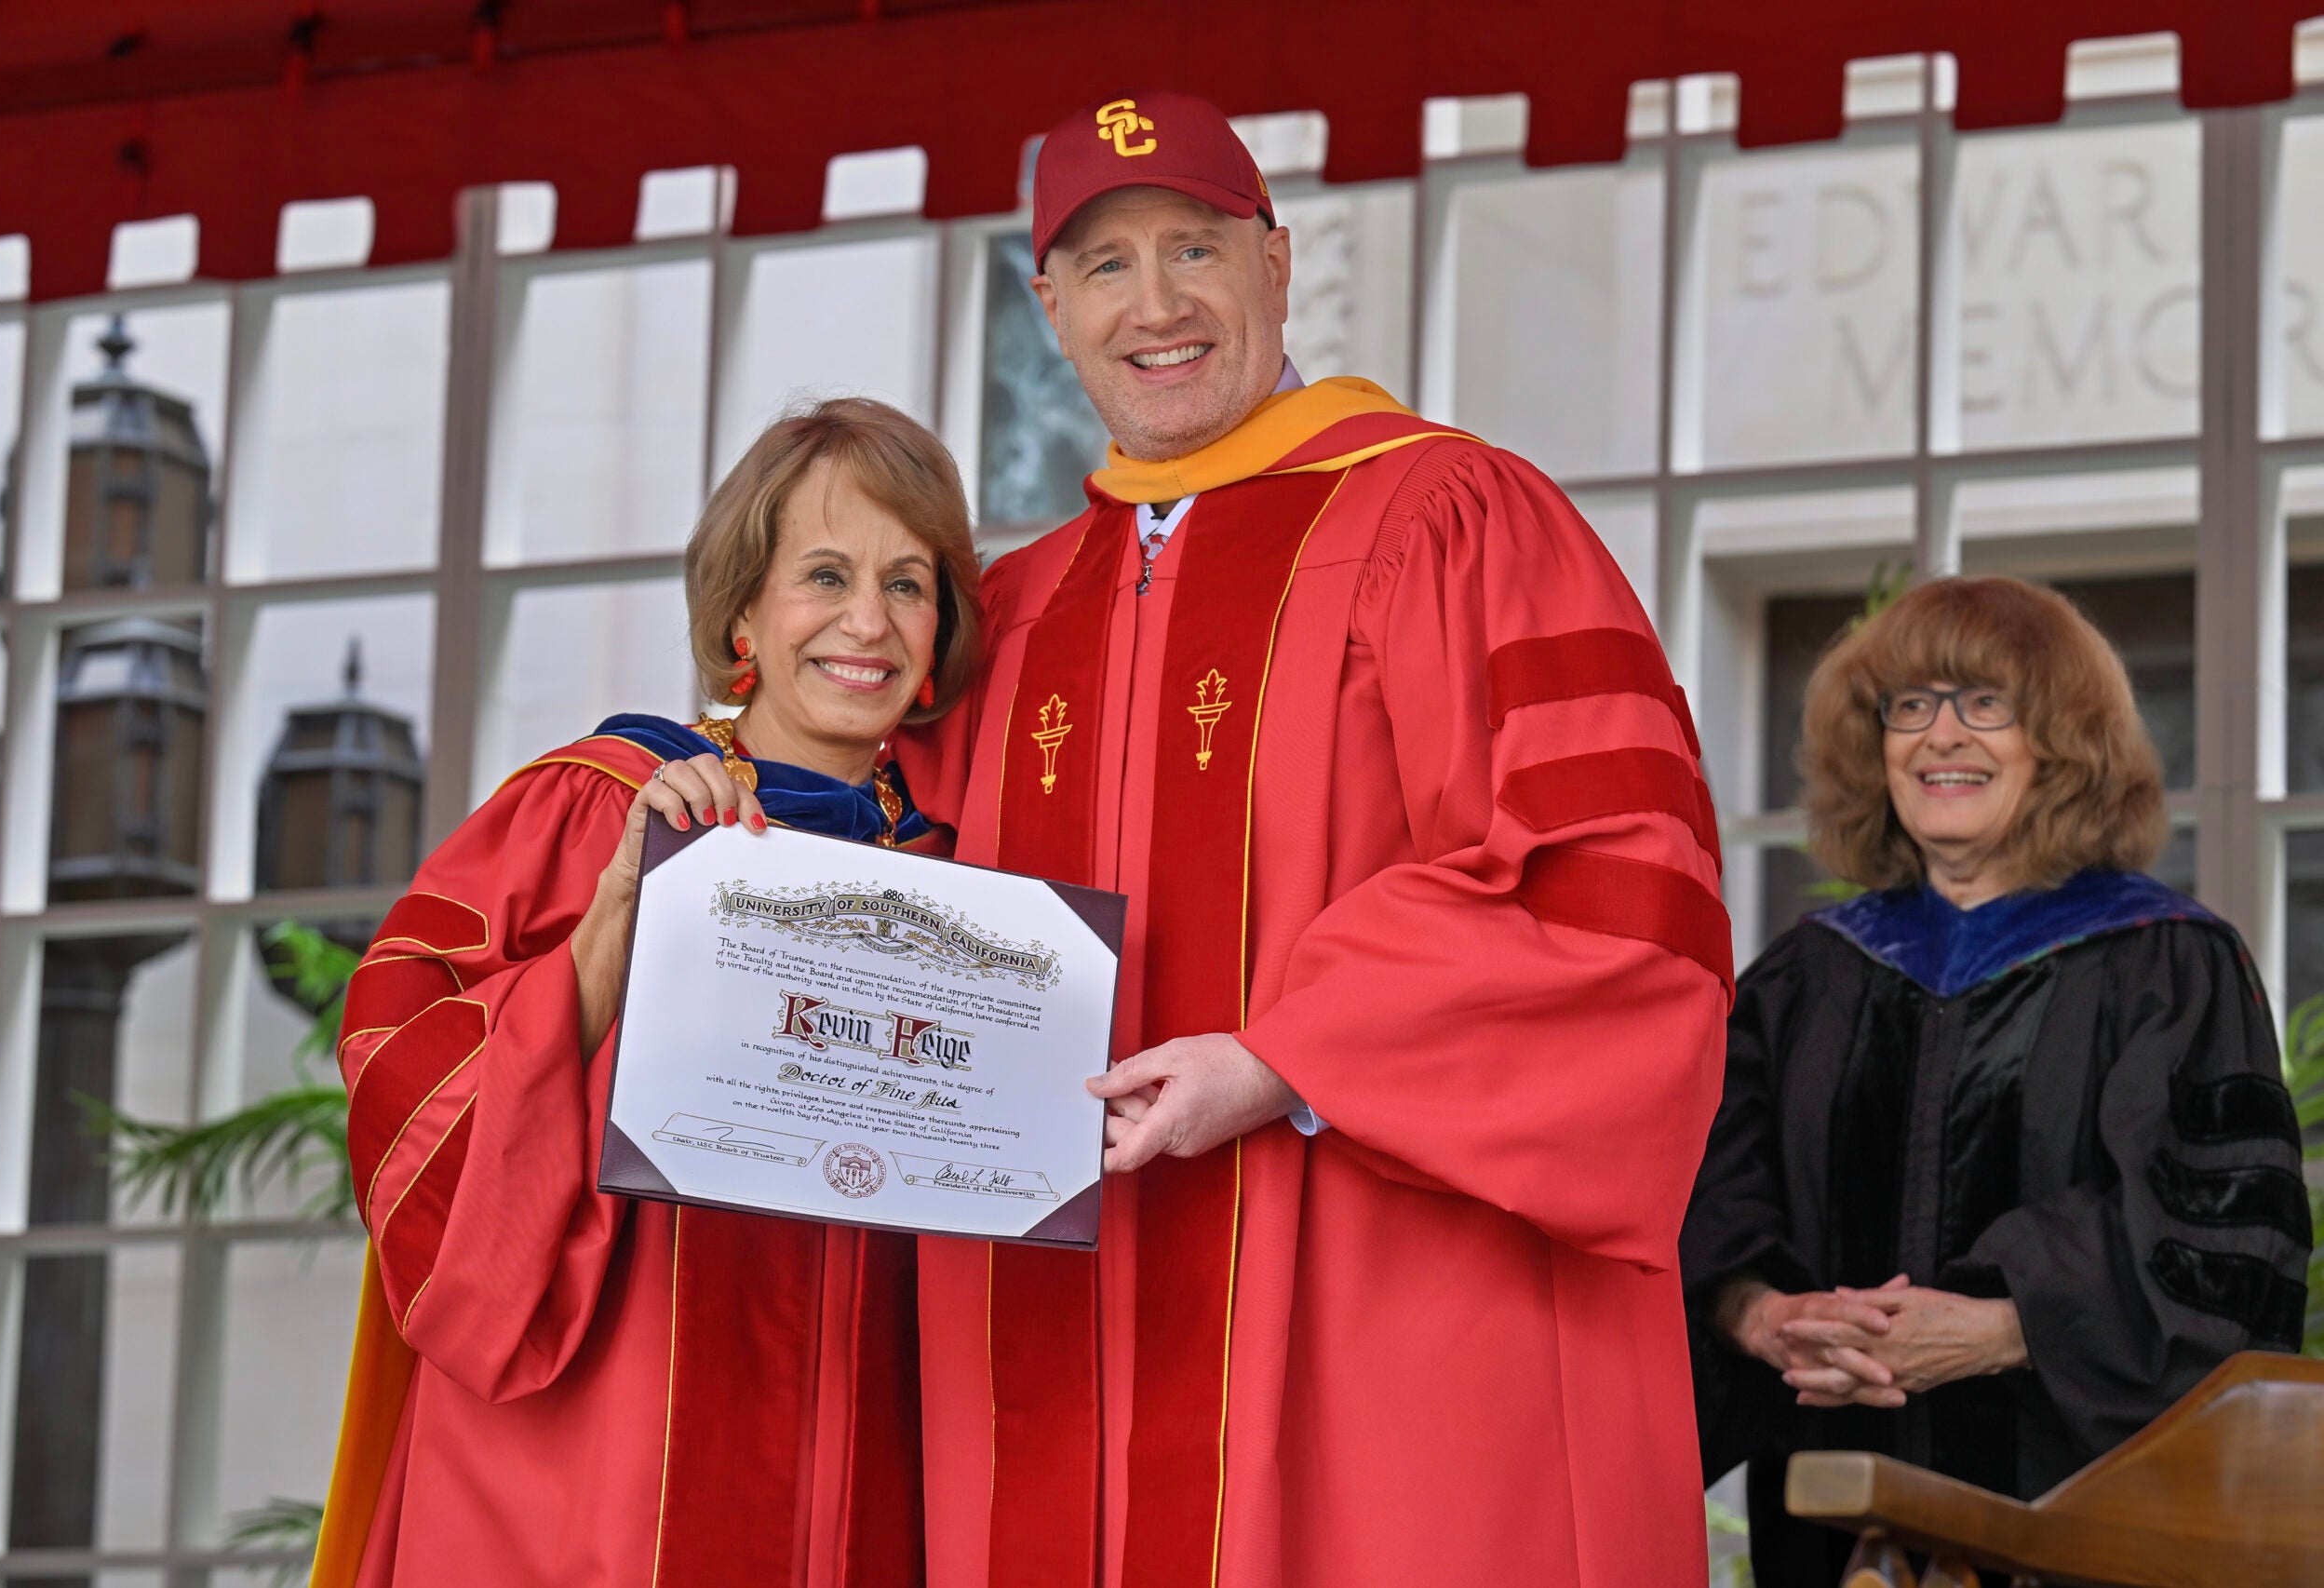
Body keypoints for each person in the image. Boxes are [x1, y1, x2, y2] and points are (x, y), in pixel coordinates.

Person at [670, 92, 1727, 1585]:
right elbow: (854, 852)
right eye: (1104, 266)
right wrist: (678, 816)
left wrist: (1287, 1058)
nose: (1154, 304)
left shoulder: (1454, 516)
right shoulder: (1010, 608)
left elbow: (1615, 888)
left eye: (1194, 249)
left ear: (1277, 264)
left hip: (1379, 1301)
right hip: (1055, 1321)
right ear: (1050, 307)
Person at [309, 397, 982, 1588]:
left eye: (909, 584)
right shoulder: (598, 810)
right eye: (822, 575)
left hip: (855, 1455)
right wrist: (613, 926)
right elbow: (395, 1063)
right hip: (592, 1452)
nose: (867, 622)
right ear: (743, 617)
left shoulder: (955, 888)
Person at [1680, 576, 2310, 1586]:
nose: (1941, 735)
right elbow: (1706, 1195)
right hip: (1832, 1523)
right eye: (1910, 704)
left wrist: (2005, 1325)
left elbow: (2223, 1248)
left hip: (2084, 1518)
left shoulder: (2166, 965)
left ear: (2059, 742)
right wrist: (1761, 1314)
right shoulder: (1808, 977)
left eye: (1986, 703)